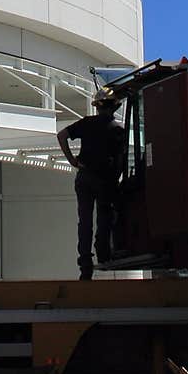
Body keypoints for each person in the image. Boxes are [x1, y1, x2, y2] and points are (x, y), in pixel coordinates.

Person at [57, 90, 125, 280]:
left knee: (85, 220)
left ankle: (85, 262)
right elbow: (119, 162)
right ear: (113, 108)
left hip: (84, 177)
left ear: (97, 107)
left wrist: (72, 160)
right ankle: (102, 253)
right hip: (104, 179)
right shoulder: (117, 129)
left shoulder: (86, 123)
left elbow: (61, 135)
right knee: (104, 216)